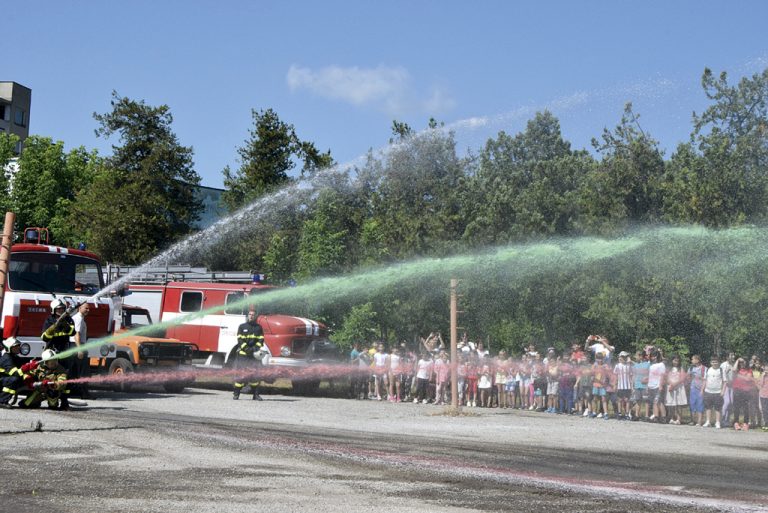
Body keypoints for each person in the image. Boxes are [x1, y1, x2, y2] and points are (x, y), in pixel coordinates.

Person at [233, 310, 265, 400]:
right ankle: (236, 394)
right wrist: (246, 348)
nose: (251, 316)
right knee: (241, 374)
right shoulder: (242, 327)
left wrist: (255, 349)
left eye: (253, 315)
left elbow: (261, 339)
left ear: (255, 316)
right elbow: (240, 340)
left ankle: (255, 395)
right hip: (243, 355)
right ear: (247, 316)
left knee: (255, 375)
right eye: (250, 314)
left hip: (254, 355)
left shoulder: (259, 328)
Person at [41, 299, 76, 373]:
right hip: (52, 351)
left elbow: (72, 332)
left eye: (62, 308)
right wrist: (53, 327)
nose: (61, 310)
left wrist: (65, 325)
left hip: (65, 351)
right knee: (51, 372)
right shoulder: (49, 320)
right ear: (53, 309)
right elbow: (44, 337)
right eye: (58, 308)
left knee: (66, 372)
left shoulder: (69, 319)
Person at [69, 302, 91, 399]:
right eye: (86, 308)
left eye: (88, 308)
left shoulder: (79, 318)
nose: (88, 310)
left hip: (75, 346)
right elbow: (76, 334)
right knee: (83, 371)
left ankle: (75, 391)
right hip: (77, 346)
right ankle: (84, 394)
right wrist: (80, 349)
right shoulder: (78, 319)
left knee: (74, 370)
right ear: (80, 308)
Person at [0, 338, 27, 407]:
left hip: (4, 379)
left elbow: (23, 364)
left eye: (18, 346)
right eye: (16, 346)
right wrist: (26, 368)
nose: (18, 348)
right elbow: (16, 373)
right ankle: (2, 401)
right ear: (9, 348)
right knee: (14, 380)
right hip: (1, 380)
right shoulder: (6, 358)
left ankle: (29, 402)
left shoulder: (14, 356)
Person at [702, 355, 724, 429]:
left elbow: (725, 382)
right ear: (710, 362)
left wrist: (723, 391)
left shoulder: (721, 370)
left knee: (717, 408)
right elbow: (705, 380)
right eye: (713, 362)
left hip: (718, 391)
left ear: (718, 362)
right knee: (708, 407)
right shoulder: (708, 370)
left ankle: (717, 422)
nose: (714, 363)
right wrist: (702, 390)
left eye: (716, 362)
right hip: (708, 391)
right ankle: (708, 421)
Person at [664, 355, 688, 425]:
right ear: (672, 360)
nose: (676, 362)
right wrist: (671, 384)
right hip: (671, 387)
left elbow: (682, 378)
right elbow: (666, 377)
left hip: (679, 387)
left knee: (678, 404)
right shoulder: (668, 368)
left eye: (677, 361)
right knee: (671, 404)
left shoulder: (681, 368)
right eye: (675, 360)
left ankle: (678, 419)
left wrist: (675, 384)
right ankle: (671, 418)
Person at [687, 354, 707, 426]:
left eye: (693, 359)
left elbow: (705, 380)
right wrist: (689, 376)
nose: (691, 360)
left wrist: (702, 390)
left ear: (697, 360)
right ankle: (692, 420)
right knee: (692, 404)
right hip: (693, 389)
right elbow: (688, 378)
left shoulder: (704, 368)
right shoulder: (691, 368)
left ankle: (699, 421)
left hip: (701, 389)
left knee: (700, 404)